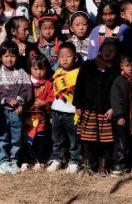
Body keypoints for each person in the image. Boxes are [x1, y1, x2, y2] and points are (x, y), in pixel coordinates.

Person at [73, 37, 122, 174]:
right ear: (100, 49)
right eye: (106, 48)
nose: (108, 52)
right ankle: (88, 165)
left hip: (106, 110)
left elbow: (117, 92)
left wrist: (114, 108)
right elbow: (79, 87)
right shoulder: (88, 66)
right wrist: (78, 105)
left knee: (106, 140)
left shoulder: (115, 70)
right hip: (88, 108)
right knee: (87, 139)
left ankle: (103, 166)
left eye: (112, 50)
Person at [0, 42, 33, 175]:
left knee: (16, 137)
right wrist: (8, 100)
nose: (9, 59)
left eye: (12, 56)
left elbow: (27, 90)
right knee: (2, 137)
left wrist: (20, 102)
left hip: (17, 112)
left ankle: (13, 161)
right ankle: (2, 161)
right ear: (0, 57)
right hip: (2, 112)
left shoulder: (22, 73)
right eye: (6, 56)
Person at [47, 42, 82, 174]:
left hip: (71, 112)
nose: (65, 59)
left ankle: (75, 161)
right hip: (56, 111)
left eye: (68, 56)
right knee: (57, 138)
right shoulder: (57, 73)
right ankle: (57, 158)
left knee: (74, 139)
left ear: (75, 58)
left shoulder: (78, 74)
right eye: (61, 56)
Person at [24, 54, 55, 171]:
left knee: (40, 139)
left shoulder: (48, 84)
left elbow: (52, 98)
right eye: (35, 69)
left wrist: (44, 102)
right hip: (27, 116)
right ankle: (25, 160)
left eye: (41, 69)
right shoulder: (25, 81)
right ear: (30, 69)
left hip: (41, 117)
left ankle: (39, 160)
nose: (38, 72)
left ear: (46, 69)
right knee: (26, 139)